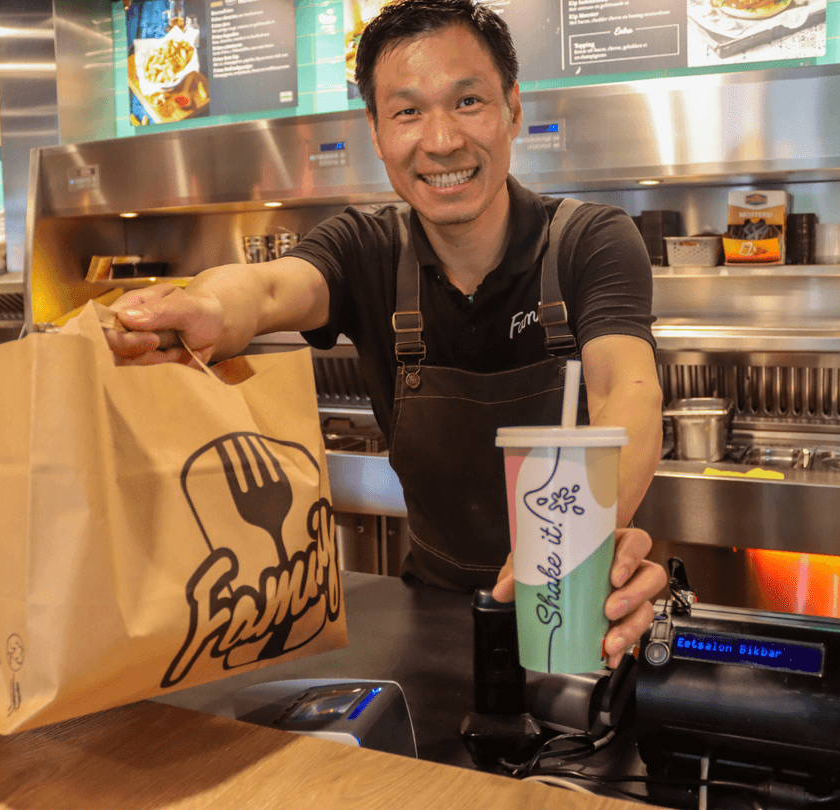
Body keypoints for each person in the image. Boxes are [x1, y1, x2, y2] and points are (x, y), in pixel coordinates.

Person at [107, 0, 665, 668]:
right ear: (375, 131)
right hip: (431, 616)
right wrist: (207, 308)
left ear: (513, 108)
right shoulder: (364, 247)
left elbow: (627, 389)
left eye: (468, 101)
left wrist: (570, 545)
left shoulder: (590, 242)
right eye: (407, 112)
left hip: (578, 607)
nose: (441, 141)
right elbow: (273, 287)